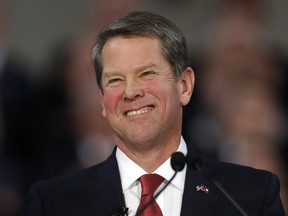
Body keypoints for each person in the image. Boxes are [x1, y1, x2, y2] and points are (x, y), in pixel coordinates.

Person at [28, 11, 285, 216]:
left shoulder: (250, 195)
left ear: (184, 86)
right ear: (103, 102)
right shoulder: (54, 203)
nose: (130, 92)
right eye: (115, 80)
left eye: (146, 74)